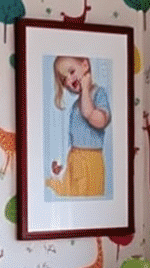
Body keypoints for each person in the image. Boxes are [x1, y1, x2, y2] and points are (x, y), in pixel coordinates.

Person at [45, 54, 111, 198]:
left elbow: (97, 120)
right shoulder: (77, 104)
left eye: (71, 72)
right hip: (75, 158)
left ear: (85, 66)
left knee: (90, 196)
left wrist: (86, 89)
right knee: (72, 193)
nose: (69, 80)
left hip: (92, 160)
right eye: (64, 80)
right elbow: (72, 136)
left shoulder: (98, 94)